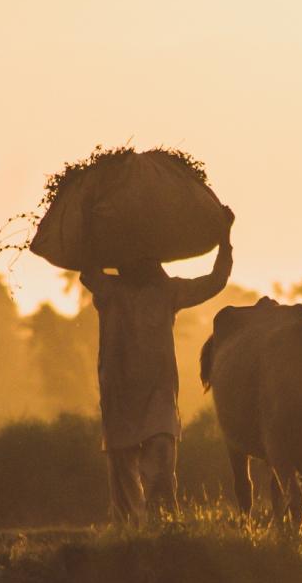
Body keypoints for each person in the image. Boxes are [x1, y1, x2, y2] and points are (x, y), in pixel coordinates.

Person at [80, 208, 234, 525]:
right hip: (119, 393)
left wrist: (224, 236)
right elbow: (86, 268)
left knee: (162, 462)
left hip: (159, 394)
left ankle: (165, 533)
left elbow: (216, 280)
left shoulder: (167, 291)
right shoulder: (109, 291)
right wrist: (87, 221)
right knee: (123, 479)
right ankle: (129, 540)